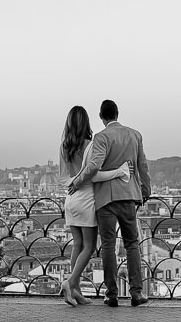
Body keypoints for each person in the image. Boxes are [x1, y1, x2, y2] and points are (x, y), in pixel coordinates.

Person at [67, 99, 151, 307]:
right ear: (117, 113)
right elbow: (143, 166)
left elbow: (94, 165)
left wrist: (76, 181)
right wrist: (146, 190)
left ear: (101, 117)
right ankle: (136, 293)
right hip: (129, 196)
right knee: (132, 244)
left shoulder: (101, 137)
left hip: (105, 199)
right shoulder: (135, 135)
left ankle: (111, 293)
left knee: (108, 246)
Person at [59, 105, 131, 307]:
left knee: (77, 245)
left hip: (71, 198)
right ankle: (70, 283)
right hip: (87, 198)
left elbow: (64, 178)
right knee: (89, 247)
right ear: (86, 123)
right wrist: (119, 171)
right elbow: (95, 174)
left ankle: (76, 293)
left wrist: (73, 184)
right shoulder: (91, 144)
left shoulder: (64, 146)